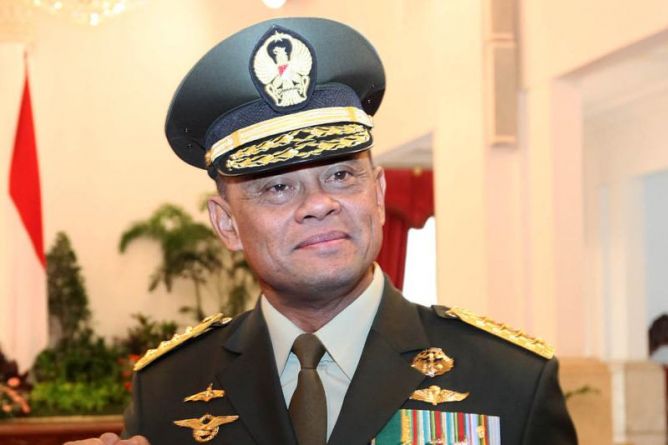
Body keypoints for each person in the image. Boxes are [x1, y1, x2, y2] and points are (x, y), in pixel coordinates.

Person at [66, 17, 577, 445]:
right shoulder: (167, 388)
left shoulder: (511, 380)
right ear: (226, 224)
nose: (318, 204)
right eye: (277, 187)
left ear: (378, 194)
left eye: (340, 175)